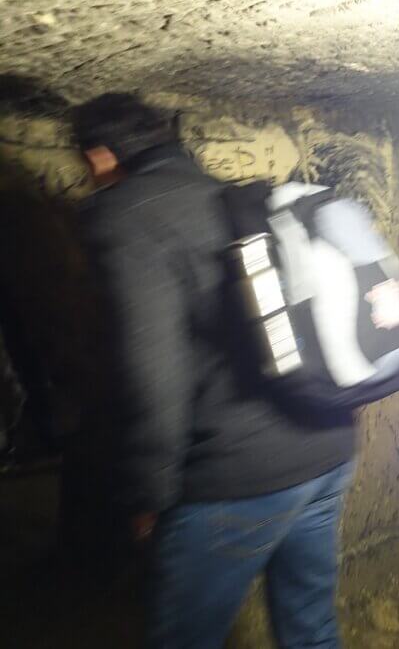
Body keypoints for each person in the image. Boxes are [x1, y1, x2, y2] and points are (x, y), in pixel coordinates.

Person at [72, 94, 359, 649]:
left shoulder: (123, 216)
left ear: (100, 158)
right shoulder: (235, 197)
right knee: (312, 629)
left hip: (237, 480)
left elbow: (151, 369)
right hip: (326, 448)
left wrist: (147, 493)